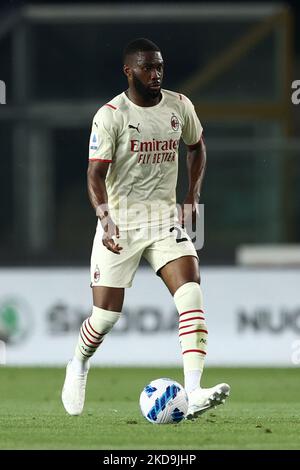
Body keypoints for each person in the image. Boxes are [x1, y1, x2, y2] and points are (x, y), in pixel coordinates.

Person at [62, 38, 230, 419]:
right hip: (120, 223)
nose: (156, 74)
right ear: (129, 71)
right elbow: (95, 174)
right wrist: (105, 220)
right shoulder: (111, 116)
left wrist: (192, 196)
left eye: (160, 67)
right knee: (105, 317)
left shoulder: (179, 105)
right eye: (147, 68)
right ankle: (78, 363)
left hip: (163, 221)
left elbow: (197, 146)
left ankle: (194, 390)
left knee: (190, 293)